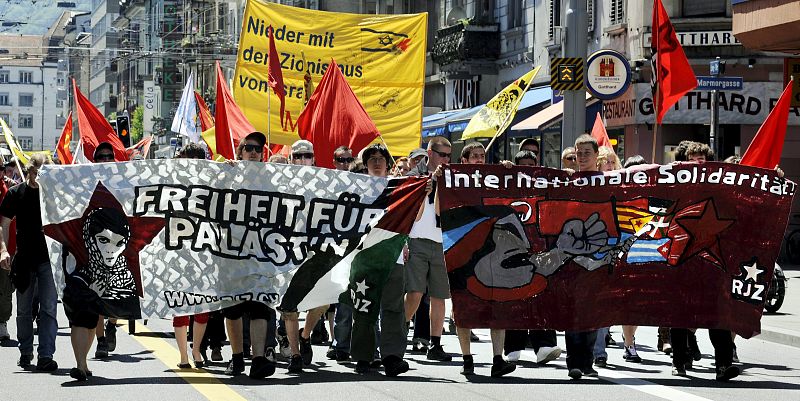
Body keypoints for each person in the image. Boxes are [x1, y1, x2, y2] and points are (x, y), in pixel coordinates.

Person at [454, 142, 516, 377]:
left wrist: (507, 171)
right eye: (475, 156)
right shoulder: (453, 180)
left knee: (497, 304)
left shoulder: (495, 177)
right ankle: (467, 358)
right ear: (465, 161)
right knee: (463, 306)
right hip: (463, 252)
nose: (480, 160)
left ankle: (497, 359)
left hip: (494, 250)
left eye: (482, 156)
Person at [221, 132, 278, 379]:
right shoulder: (229, 176)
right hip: (230, 254)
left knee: (260, 306)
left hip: (260, 254)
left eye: (258, 149)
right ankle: (236, 357)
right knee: (232, 309)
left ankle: (257, 359)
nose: (254, 152)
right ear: (240, 152)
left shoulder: (272, 180)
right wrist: (223, 175)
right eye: (249, 148)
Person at [348, 144, 410, 376]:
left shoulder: (400, 189)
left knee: (393, 309)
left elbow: (413, 216)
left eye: (380, 159)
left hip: (393, 257)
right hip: (364, 258)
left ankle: (392, 357)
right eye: (371, 159)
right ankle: (364, 357)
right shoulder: (356, 190)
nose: (376, 162)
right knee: (364, 308)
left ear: (387, 164)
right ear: (365, 165)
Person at [0, 154, 58, 373]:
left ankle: (46, 355)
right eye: (34, 173)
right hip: (24, 260)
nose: (37, 178)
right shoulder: (16, 194)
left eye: (42, 175)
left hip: (48, 260)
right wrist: (4, 251)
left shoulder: (53, 195)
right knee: (24, 310)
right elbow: (3, 224)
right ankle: (26, 351)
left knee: (49, 308)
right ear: (28, 171)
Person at [279, 139, 331, 373]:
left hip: (318, 252)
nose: (302, 160)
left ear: (314, 158)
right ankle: (295, 355)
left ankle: (306, 334)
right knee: (289, 307)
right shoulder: (279, 182)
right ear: (291, 160)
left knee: (324, 300)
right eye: (297, 156)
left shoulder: (326, 182)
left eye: (307, 156)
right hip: (288, 251)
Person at [404, 136, 452, 362]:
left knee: (439, 296)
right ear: (430, 153)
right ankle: (399, 332)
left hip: (442, 241)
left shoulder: (451, 176)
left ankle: (435, 343)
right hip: (417, 239)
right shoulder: (414, 174)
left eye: (448, 155)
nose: (446, 159)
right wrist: (426, 185)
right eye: (442, 154)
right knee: (414, 293)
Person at [172, 144, 210, 369]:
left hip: (204, 253)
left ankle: (196, 350)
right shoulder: (174, 180)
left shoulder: (209, 181)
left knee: (203, 307)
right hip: (178, 253)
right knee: (180, 305)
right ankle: (183, 356)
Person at [566, 135, 601, 380]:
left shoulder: (609, 181)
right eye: (579, 152)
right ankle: (574, 363)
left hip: (599, 254)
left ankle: (587, 361)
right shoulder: (566, 180)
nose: (582, 156)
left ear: (596, 155)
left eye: (587, 152)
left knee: (593, 310)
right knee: (571, 310)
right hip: (571, 255)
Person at [91, 142, 119, 359]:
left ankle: (112, 325)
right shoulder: (86, 181)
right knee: (99, 296)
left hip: (118, 245)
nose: (105, 159)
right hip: (95, 247)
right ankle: (101, 341)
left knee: (115, 296)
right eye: (101, 156)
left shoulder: (122, 180)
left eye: (109, 156)